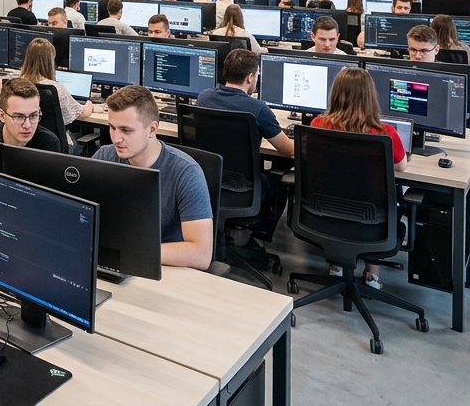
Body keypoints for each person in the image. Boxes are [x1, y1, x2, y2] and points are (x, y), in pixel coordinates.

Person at [307, 68, 408, 288]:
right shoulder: (385, 133)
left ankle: (336, 265)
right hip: (371, 221)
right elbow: (401, 167)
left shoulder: (318, 125)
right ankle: (372, 275)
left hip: (324, 216)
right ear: (371, 97)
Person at [93, 85, 213, 269]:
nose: (116, 138)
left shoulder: (186, 172)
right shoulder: (104, 157)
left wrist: (132, 251)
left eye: (126, 130)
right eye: (112, 127)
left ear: (152, 129)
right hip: (115, 262)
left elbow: (201, 254)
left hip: (167, 267)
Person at [196, 49, 294, 244]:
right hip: (244, 189)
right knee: (279, 179)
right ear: (250, 77)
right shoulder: (258, 108)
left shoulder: (204, 97)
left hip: (209, 182)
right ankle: (258, 236)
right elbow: (289, 150)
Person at [0, 77, 61, 152]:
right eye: (19, 117)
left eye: (33, 116)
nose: (27, 125)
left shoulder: (48, 144)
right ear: (2, 116)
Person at [19, 37, 93, 123]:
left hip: (26, 133)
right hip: (52, 136)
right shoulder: (55, 88)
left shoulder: (17, 84)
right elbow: (83, 113)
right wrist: (89, 103)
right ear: (50, 61)